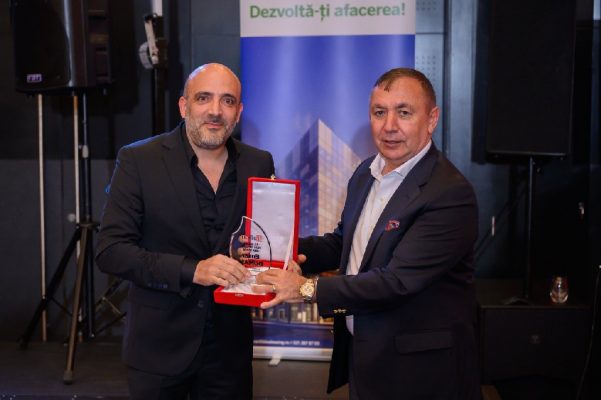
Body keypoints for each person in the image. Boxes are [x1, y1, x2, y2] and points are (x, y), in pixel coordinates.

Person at [256, 68, 481, 399]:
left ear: (431, 119)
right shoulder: (366, 172)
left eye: (404, 113)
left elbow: (396, 281)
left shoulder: (449, 193)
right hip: (366, 358)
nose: (389, 125)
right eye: (379, 112)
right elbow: (344, 243)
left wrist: (304, 288)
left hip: (421, 373)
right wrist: (280, 249)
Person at [96, 63, 275, 399]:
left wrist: (283, 257)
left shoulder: (259, 163)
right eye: (203, 98)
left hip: (229, 352)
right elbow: (111, 250)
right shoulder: (139, 160)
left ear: (239, 112)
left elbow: (261, 240)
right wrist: (193, 270)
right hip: (158, 348)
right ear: (184, 106)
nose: (215, 111)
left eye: (227, 101)